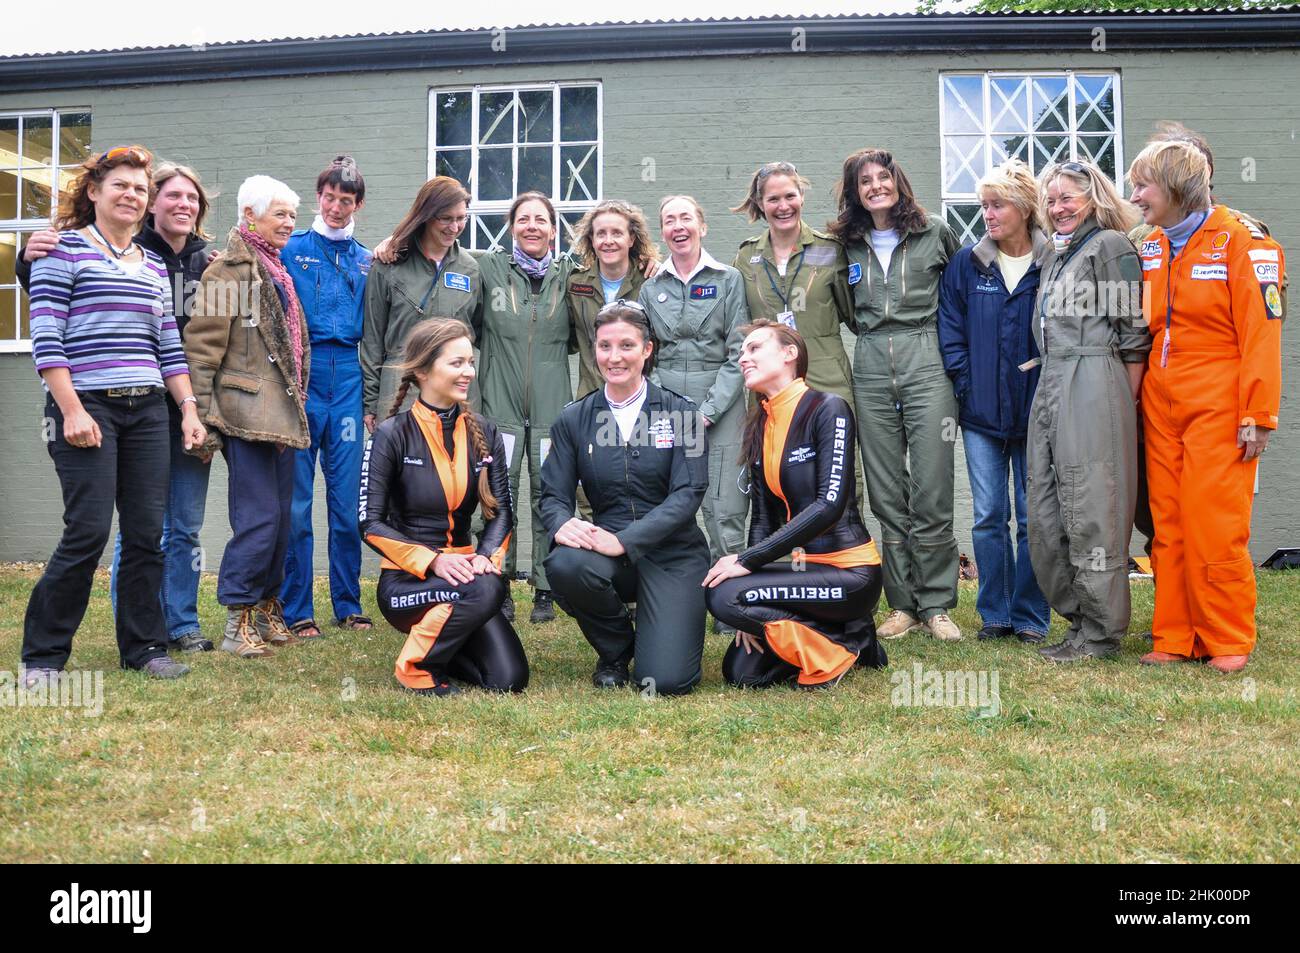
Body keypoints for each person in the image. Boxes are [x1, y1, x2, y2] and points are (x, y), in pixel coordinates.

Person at [21, 145, 207, 689]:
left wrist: (189, 411)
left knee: (149, 534)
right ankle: (43, 657)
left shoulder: (151, 265)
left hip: (149, 409)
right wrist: (73, 409)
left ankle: (145, 647)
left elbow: (167, 345)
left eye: (139, 189)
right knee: (87, 532)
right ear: (95, 194)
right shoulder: (64, 250)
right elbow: (47, 337)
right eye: (120, 186)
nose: (131, 195)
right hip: (87, 407)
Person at [1128, 140, 1285, 673]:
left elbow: (1262, 333)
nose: (1135, 196)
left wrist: (1258, 414)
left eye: (1143, 185)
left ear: (1175, 188)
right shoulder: (1151, 245)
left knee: (1213, 521)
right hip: (1161, 397)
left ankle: (1226, 637)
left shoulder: (1245, 241)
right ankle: (1175, 635)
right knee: (1167, 522)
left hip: (1220, 398)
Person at [704, 321, 886, 689]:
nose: (743, 358)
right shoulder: (762, 422)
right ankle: (854, 638)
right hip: (804, 575)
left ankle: (836, 653)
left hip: (850, 574)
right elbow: (764, 518)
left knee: (722, 594)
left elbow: (828, 505)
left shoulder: (828, 408)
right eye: (741, 352)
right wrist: (751, 609)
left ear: (790, 355)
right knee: (742, 674)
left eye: (754, 349)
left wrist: (745, 566)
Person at [540, 301, 710, 693]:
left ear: (647, 350)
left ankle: (656, 638)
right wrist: (562, 522)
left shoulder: (681, 413)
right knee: (566, 564)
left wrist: (625, 541)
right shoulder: (573, 419)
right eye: (604, 346)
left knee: (665, 681)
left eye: (627, 346)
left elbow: (688, 494)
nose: (614, 357)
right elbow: (552, 495)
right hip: (606, 550)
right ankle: (616, 648)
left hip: (674, 554)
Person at [829, 148, 963, 642]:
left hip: (925, 357)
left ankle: (937, 603)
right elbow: (839, 301)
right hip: (868, 359)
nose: (875, 186)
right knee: (887, 490)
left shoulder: (934, 231)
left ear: (897, 181)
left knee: (931, 484)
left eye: (883, 177)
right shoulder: (845, 243)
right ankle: (902, 604)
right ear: (855, 191)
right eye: (865, 181)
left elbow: (963, 288)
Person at [361, 319, 526, 696]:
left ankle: (442, 647)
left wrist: (486, 556)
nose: (468, 372)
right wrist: (434, 561)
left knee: (508, 680)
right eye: (456, 363)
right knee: (486, 591)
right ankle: (416, 668)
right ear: (422, 370)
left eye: (470, 362)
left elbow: (502, 512)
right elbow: (369, 523)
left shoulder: (485, 430)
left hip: (469, 577)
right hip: (406, 585)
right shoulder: (391, 434)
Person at [184, 175, 312, 658]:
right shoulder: (228, 271)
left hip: (282, 417)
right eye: (279, 213)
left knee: (280, 521)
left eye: (292, 215)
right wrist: (197, 416)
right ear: (249, 216)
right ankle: (237, 620)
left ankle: (265, 606)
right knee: (258, 519)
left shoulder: (276, 269)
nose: (289, 222)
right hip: (244, 415)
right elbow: (201, 347)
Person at [1027, 160, 1148, 663]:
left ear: (1093, 197)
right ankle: (1077, 621)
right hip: (1052, 379)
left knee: (1093, 504)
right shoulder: (1056, 255)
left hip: (1096, 381)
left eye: (1068, 198)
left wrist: (1123, 402)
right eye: (1051, 199)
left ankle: (1101, 632)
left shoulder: (1111, 248)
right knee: (1047, 504)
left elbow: (1134, 335)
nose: (1058, 208)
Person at [938, 159, 1052, 645]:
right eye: (984, 204)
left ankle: (1030, 615)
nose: (987, 213)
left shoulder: (1054, 261)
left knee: (1031, 518)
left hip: (1037, 413)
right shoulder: (968, 263)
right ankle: (995, 614)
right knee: (987, 516)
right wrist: (966, 383)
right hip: (981, 415)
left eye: (997, 204)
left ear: (1025, 208)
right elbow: (951, 330)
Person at [638, 195, 750, 633]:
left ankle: (730, 605)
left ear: (702, 226)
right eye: (669, 220)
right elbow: (648, 357)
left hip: (720, 404)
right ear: (663, 232)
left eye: (686, 218)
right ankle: (672, 601)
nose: (678, 226)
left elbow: (738, 352)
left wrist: (706, 412)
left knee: (724, 508)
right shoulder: (651, 287)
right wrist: (668, 408)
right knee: (668, 505)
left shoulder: (729, 280)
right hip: (665, 403)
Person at [280, 156, 375, 640]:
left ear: (358, 204)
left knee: (345, 505)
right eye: (330, 197)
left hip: (348, 382)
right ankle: (296, 608)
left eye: (347, 200)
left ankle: (348, 603)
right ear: (319, 197)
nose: (337, 207)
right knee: (296, 503)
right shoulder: (291, 249)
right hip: (303, 376)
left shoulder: (367, 258)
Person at [473, 191, 577, 625]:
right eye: (523, 219)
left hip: (553, 409)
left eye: (541, 220)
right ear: (511, 226)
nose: (532, 226)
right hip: (500, 407)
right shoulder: (488, 269)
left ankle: (546, 589)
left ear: (554, 230)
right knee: (498, 496)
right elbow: (437, 246)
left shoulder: (572, 276)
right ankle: (497, 585)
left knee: (549, 495)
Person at [361, 176, 481, 428]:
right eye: (446, 218)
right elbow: (372, 339)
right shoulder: (389, 265)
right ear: (425, 216)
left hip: (455, 393)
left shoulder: (470, 269)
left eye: (461, 218)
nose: (454, 227)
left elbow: (476, 331)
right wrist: (371, 402)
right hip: (400, 392)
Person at [731, 162, 854, 404]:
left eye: (790, 196)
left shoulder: (831, 251)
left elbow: (854, 314)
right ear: (760, 203)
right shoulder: (746, 257)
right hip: (769, 385)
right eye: (773, 199)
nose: (783, 206)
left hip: (826, 381)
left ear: (802, 197)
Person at [567, 200, 658, 399]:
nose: (608, 240)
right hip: (591, 399)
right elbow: (570, 340)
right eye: (601, 233)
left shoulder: (652, 281)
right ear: (591, 239)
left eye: (617, 233)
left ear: (631, 238)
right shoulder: (574, 285)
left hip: (641, 399)